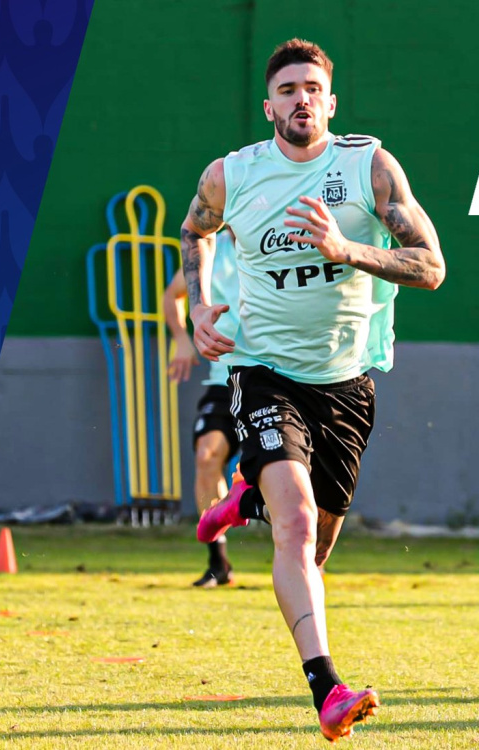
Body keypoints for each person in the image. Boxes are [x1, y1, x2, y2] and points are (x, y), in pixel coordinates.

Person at [179, 38, 444, 742]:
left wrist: (347, 249)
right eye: (288, 89)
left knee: (317, 549)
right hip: (262, 371)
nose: (301, 99)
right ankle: (328, 689)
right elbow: (195, 230)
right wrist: (198, 308)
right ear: (269, 106)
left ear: (331, 103)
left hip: (347, 384)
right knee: (294, 527)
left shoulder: (368, 167)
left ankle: (246, 500)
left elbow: (431, 266)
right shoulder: (232, 175)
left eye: (313, 89)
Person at [163, 229, 240, 588]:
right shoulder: (210, 247)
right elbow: (172, 295)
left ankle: (310, 558)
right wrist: (182, 340)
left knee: (288, 471)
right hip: (224, 379)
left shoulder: (281, 239)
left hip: (278, 377)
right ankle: (218, 562)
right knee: (207, 455)